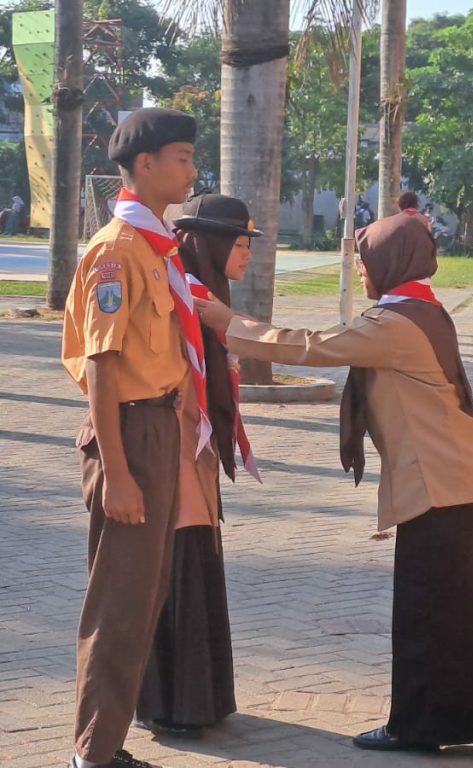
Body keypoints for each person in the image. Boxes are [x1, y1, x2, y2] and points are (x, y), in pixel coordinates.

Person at [195, 213, 473, 752]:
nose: (361, 271)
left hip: (443, 486)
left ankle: (418, 728)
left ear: (390, 263)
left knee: (426, 611)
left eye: (364, 261)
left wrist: (230, 323)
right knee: (464, 612)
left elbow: (314, 346)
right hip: (463, 478)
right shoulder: (423, 307)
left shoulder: (395, 324)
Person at [60, 107, 198, 768]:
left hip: (156, 427)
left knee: (144, 593)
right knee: (119, 600)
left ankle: (105, 745)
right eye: (180, 157)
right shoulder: (118, 251)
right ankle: (92, 755)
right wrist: (116, 471)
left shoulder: (154, 247)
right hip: (129, 433)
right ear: (143, 165)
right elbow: (102, 366)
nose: (191, 171)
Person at [134, 193, 263, 736]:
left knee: (196, 565)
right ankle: (176, 704)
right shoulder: (180, 294)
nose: (246, 256)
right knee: (182, 568)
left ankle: (197, 699)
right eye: (238, 244)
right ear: (208, 243)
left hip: (198, 456)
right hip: (177, 451)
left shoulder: (206, 297)